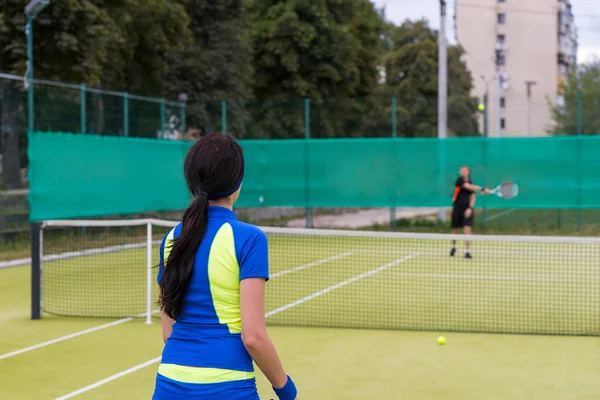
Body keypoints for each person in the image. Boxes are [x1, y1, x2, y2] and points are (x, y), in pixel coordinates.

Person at [153, 132, 297, 400]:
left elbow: (167, 332)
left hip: (168, 384)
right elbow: (253, 337)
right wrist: (287, 390)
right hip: (227, 387)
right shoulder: (249, 239)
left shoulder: (171, 238)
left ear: (191, 183)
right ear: (237, 183)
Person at [450, 165, 490, 258]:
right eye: (462, 171)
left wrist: (470, 208)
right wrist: (483, 189)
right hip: (457, 208)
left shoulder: (471, 182)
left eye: (465, 171)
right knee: (455, 229)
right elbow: (469, 187)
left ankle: (467, 251)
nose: (463, 172)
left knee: (467, 229)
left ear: (468, 172)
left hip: (467, 209)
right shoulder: (459, 181)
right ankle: (453, 247)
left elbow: (472, 196)